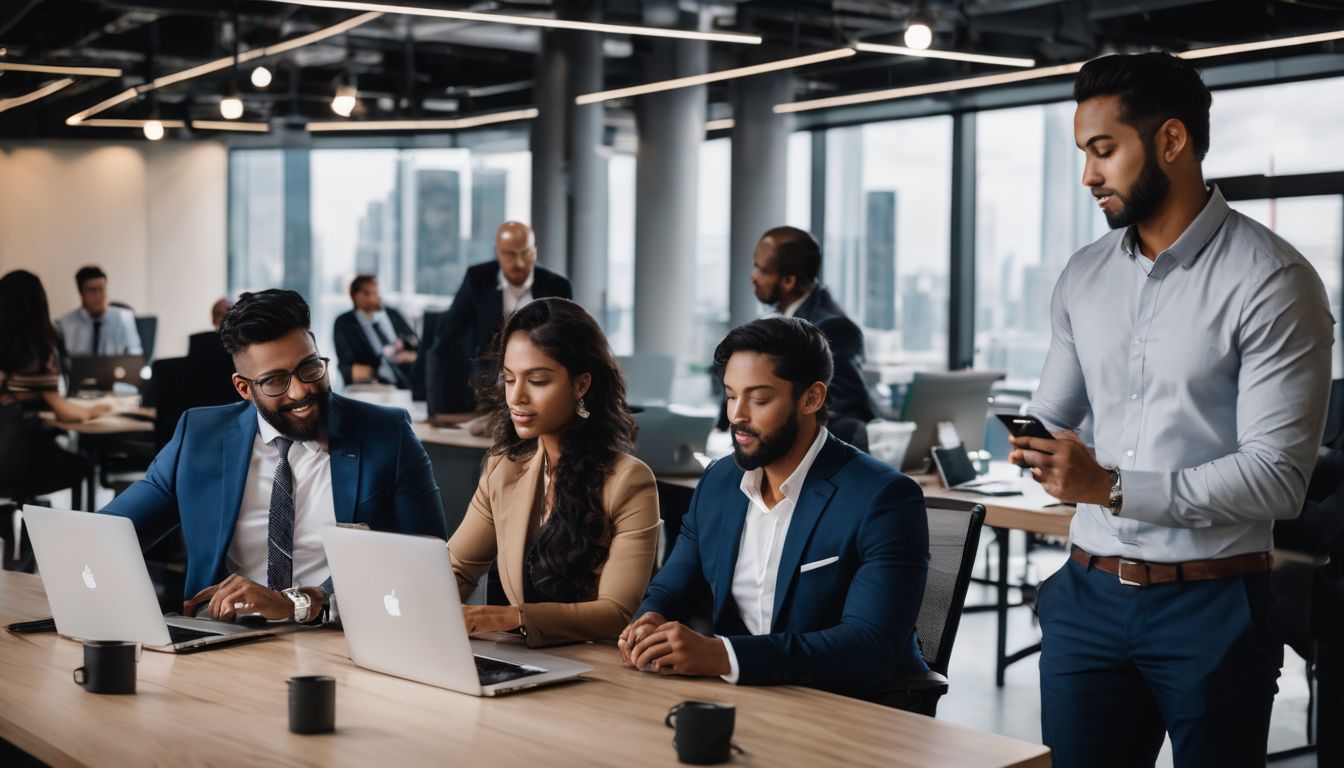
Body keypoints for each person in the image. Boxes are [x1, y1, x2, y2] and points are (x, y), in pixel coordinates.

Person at [1011, 52, 1333, 767]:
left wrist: (1112, 487)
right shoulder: (1084, 274)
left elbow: (1279, 479)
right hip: (1085, 598)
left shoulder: (1274, 281)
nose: (1089, 175)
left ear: (1171, 141)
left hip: (1212, 607)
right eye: (1083, 154)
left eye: (1104, 150)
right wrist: (1035, 444)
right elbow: (1052, 408)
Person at [619, 317, 929, 699]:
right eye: (731, 395)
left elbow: (868, 648)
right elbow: (672, 586)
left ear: (811, 399)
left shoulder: (884, 499)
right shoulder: (719, 482)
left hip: (853, 708)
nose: (737, 415)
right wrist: (652, 618)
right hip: (747, 698)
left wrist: (724, 656)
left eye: (759, 399)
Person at [102, 289, 448, 624]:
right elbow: (109, 535)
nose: (301, 391)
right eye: (276, 381)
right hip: (222, 641)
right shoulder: (200, 436)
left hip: (339, 639)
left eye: (310, 368)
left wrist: (296, 604)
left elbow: (430, 567)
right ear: (243, 388)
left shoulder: (387, 434)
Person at [447, 298, 659, 647]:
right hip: (523, 663)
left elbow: (615, 612)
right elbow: (456, 569)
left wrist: (504, 618)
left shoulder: (629, 482)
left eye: (538, 380)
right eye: (510, 379)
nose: (517, 397)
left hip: (596, 673)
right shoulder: (502, 468)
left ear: (581, 385)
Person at [721, 227, 876, 448]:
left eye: (760, 268)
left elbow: (846, 410)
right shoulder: (772, 321)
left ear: (788, 282)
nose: (752, 275)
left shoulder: (832, 328)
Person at [426, 221, 573, 416]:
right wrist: (435, 412)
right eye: (510, 255)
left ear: (535, 252)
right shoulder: (477, 279)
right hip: (488, 383)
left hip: (541, 379)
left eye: (525, 253)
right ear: (498, 253)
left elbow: (569, 348)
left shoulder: (558, 286)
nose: (519, 263)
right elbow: (445, 342)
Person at [0, 270, 108, 508]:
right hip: (18, 461)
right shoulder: (37, 352)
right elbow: (65, 412)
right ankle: (81, 534)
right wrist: (99, 409)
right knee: (84, 465)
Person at [332, 274, 417, 388]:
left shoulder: (392, 314)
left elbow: (415, 340)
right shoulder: (345, 323)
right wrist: (378, 369)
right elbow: (350, 366)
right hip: (373, 382)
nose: (376, 297)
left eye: (376, 291)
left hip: (406, 376)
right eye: (368, 293)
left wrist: (407, 353)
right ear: (355, 296)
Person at [55, 265, 142, 356]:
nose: (98, 295)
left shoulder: (124, 318)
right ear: (81, 293)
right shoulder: (65, 324)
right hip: (81, 370)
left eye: (101, 289)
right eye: (92, 290)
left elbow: (135, 354)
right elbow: (64, 361)